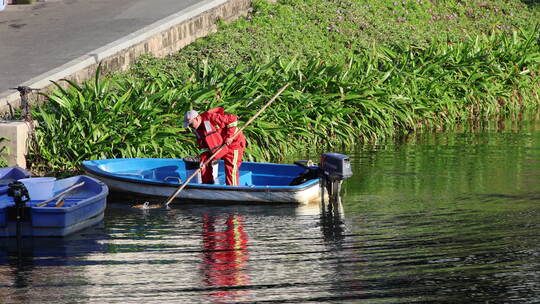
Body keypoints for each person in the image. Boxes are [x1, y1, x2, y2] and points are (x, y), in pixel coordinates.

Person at [184, 108, 246, 186]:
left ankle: (233, 190)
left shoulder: (211, 117)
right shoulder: (197, 130)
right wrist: (203, 161)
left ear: (197, 118)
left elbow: (232, 119)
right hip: (219, 145)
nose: (191, 127)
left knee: (231, 168)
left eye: (191, 124)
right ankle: (207, 186)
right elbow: (203, 148)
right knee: (205, 166)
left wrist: (229, 136)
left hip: (233, 143)